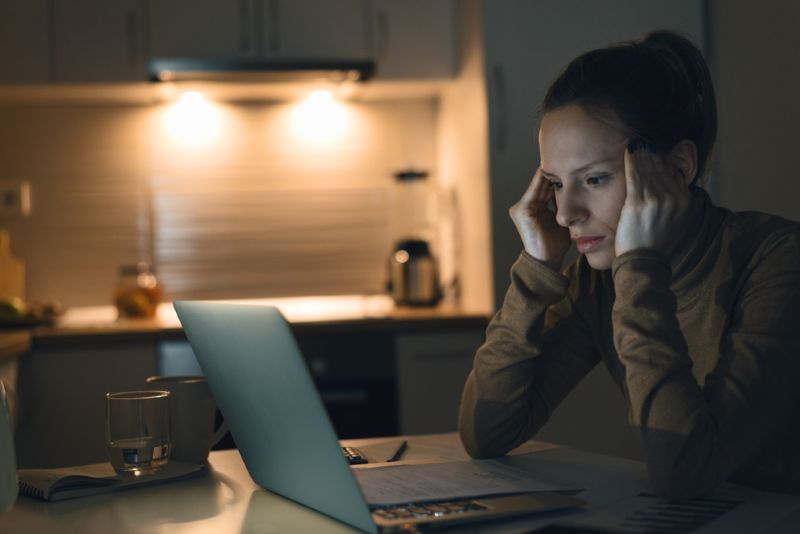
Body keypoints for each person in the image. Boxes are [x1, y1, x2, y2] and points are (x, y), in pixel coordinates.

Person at [458, 30, 800, 499]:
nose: (563, 214)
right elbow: (486, 434)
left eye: (594, 179)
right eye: (556, 183)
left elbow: (684, 471)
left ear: (679, 169)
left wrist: (641, 268)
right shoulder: (597, 280)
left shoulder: (778, 259)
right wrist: (536, 270)